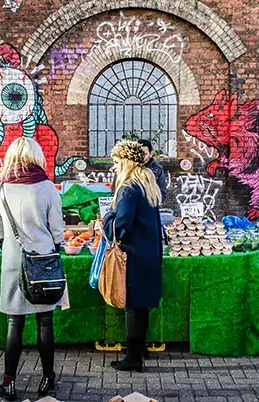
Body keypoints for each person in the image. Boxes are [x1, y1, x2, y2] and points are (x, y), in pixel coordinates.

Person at [0, 137, 69, 401]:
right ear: (37, 157)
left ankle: (9, 381)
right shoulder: (47, 188)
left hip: (14, 263)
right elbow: (57, 231)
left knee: (15, 321)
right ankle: (48, 378)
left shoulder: (0, 190)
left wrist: (11, 247)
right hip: (44, 263)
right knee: (45, 321)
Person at [102, 140, 163, 372]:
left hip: (133, 255)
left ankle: (133, 358)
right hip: (148, 253)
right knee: (142, 307)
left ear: (126, 162)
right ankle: (138, 352)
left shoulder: (128, 189)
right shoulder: (147, 183)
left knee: (132, 307)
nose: (114, 167)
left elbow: (120, 226)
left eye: (116, 162)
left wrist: (107, 217)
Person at [138, 139, 167, 204]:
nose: (142, 157)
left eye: (145, 154)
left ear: (150, 154)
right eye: (139, 154)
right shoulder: (129, 167)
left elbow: (162, 192)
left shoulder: (157, 169)